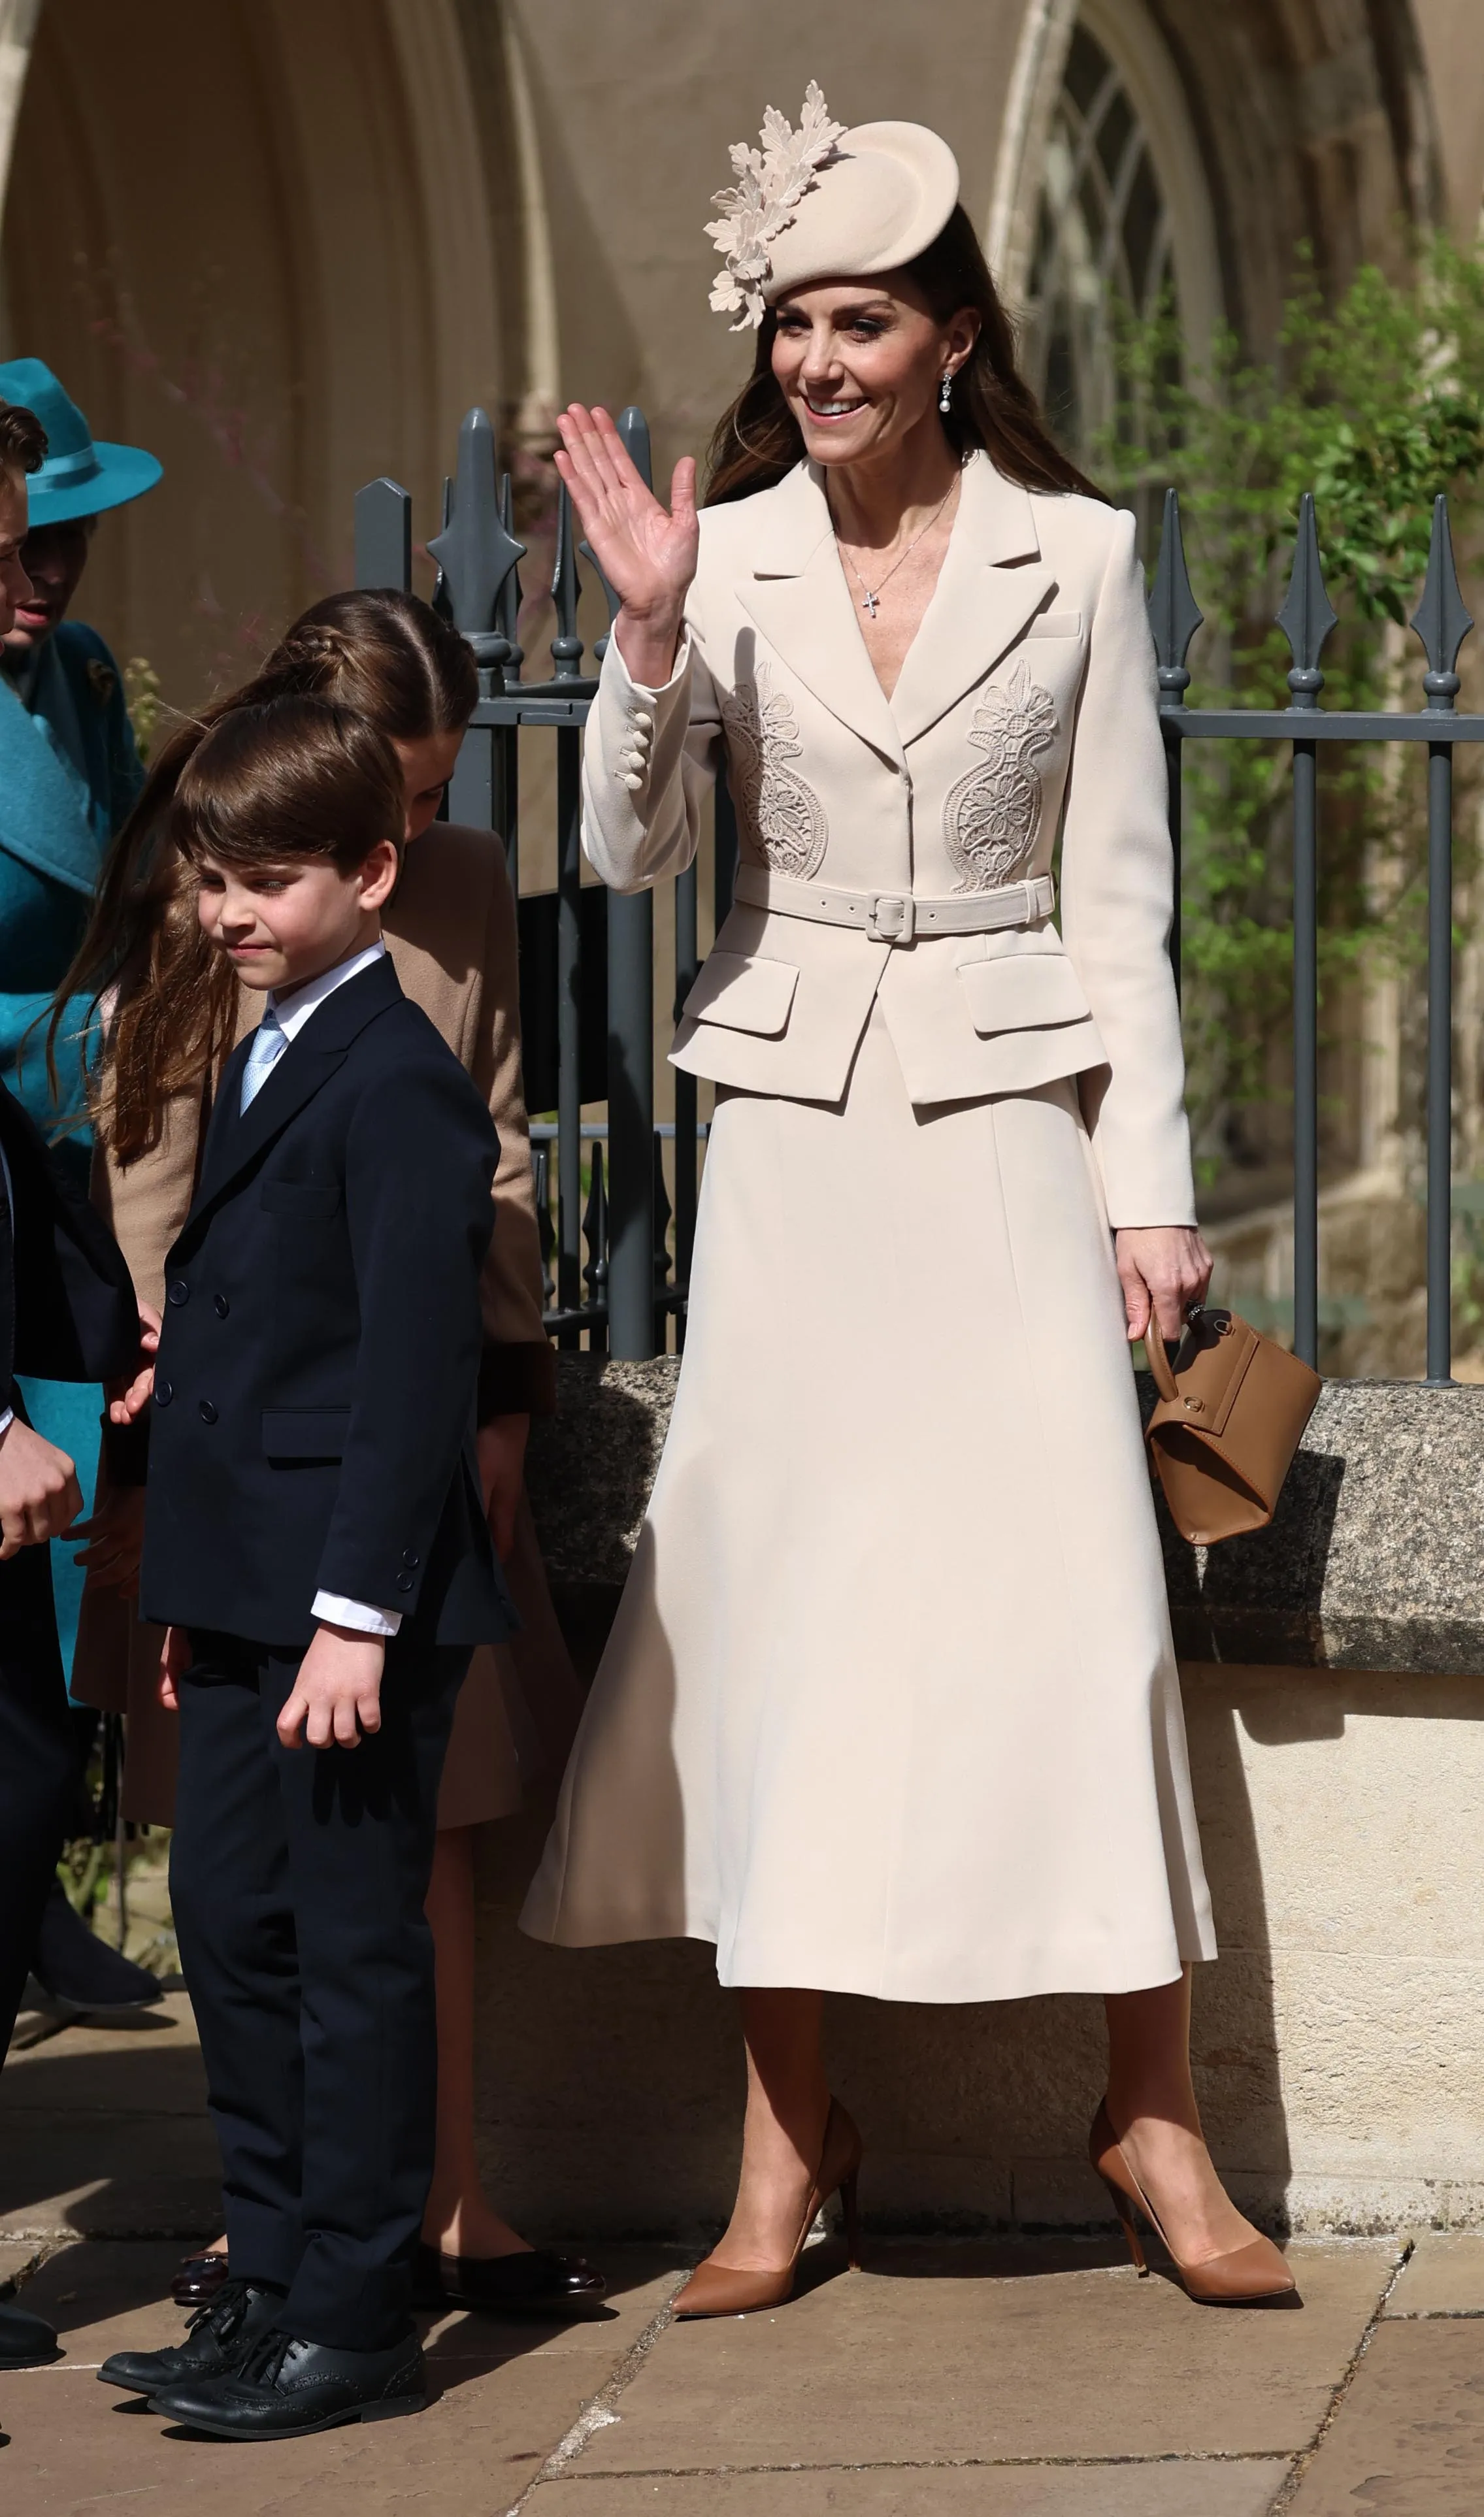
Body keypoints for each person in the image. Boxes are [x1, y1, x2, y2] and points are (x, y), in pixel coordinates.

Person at [521, 91, 1296, 2313]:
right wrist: (651, 644)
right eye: (791, 324)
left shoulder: (1088, 552)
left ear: (953, 334)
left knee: (1070, 1601)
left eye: (860, 322)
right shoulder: (727, 550)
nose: (816, 363)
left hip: (1006, 1135)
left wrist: (1142, 1185)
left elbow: (1119, 899)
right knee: (784, 1622)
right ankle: (784, 2149)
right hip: (789, 1144)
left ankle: (1147, 2113)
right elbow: (625, 859)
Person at [63, 590, 597, 2315]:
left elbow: (491, 1128)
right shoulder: (233, 887)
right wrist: (166, 1404)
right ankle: (286, 2237)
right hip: (247, 1436)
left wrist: (505, 1389)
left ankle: (400, 2228)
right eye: (406, 781)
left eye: (441, 791)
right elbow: (154, 1147)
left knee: (386, 1873)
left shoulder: (422, 904)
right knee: (251, 1897)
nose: (432, 819)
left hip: (395, 1438)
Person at [97, 695, 515, 2441]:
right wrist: (195, 1599)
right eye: (209, 882)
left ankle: (350, 2307)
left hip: (348, 1611)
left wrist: (358, 1617)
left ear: (372, 868)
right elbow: (233, 1353)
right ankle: (263, 2277)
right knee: (229, 1930)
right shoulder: (267, 1044)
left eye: (265, 881)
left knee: (347, 1952)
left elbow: (411, 1382)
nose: (226, 916)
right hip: (248, 1592)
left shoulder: (400, 1081)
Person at [0, 391, 157, 2382]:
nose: (43, 590)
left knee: (41, 1670)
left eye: (65, 548)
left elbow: (117, 891)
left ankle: (33, 1886)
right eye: (16, 553)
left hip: (51, 1199)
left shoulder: (84, 674)